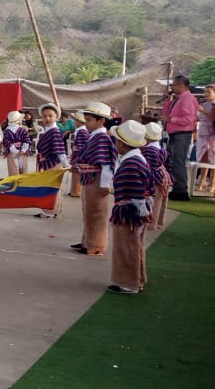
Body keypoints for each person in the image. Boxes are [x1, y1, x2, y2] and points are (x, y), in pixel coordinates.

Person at [106, 120, 152, 294]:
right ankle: (137, 279)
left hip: (128, 213)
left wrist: (143, 211)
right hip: (133, 210)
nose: (115, 143)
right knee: (134, 245)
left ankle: (127, 283)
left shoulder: (131, 164)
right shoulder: (137, 159)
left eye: (117, 141)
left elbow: (136, 193)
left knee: (126, 247)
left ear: (123, 144)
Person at [71, 102, 116, 256]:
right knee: (89, 211)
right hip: (90, 179)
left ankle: (96, 245)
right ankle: (87, 241)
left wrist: (105, 185)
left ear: (101, 121)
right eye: (86, 119)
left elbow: (106, 164)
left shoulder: (102, 138)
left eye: (89, 120)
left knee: (97, 212)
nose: (86, 123)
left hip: (97, 180)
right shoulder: (94, 136)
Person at [161, 75, 198, 201]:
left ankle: (181, 191)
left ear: (181, 85)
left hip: (182, 134)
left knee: (178, 162)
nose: (172, 87)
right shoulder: (178, 98)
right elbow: (166, 114)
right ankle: (176, 188)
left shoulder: (187, 99)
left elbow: (189, 119)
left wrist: (171, 119)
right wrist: (167, 101)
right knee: (173, 162)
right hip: (174, 134)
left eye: (173, 85)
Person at [35, 103, 70, 219]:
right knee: (50, 187)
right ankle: (51, 210)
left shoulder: (54, 132)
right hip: (48, 164)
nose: (47, 118)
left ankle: (49, 212)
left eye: (50, 116)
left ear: (56, 117)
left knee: (51, 188)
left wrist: (65, 164)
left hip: (53, 164)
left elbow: (59, 151)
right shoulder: (47, 131)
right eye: (44, 116)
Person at [142, 122, 172, 230]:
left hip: (153, 177)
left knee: (152, 200)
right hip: (161, 176)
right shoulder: (160, 148)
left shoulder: (149, 150)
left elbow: (148, 165)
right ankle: (158, 222)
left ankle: (150, 224)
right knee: (159, 200)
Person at [195, 84, 215, 192]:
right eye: (205, 92)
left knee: (212, 158)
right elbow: (198, 117)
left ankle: (213, 183)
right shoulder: (204, 104)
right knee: (204, 158)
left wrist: (202, 110)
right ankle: (202, 182)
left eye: (209, 92)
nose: (206, 94)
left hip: (212, 133)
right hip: (202, 132)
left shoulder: (213, 104)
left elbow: (212, 117)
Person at [2, 111, 31, 176]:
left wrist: (16, 151)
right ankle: (23, 181)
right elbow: (26, 141)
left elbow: (7, 143)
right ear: (19, 121)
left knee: (13, 170)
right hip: (23, 153)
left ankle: (14, 181)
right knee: (23, 169)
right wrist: (23, 150)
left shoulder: (7, 131)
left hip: (12, 152)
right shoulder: (23, 130)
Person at [68, 111, 89, 197]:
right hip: (78, 155)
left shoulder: (82, 132)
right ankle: (74, 191)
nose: (74, 122)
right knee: (75, 174)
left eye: (75, 120)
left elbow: (81, 147)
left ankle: (76, 192)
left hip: (79, 157)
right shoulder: (81, 130)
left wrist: (76, 158)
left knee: (77, 175)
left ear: (80, 121)